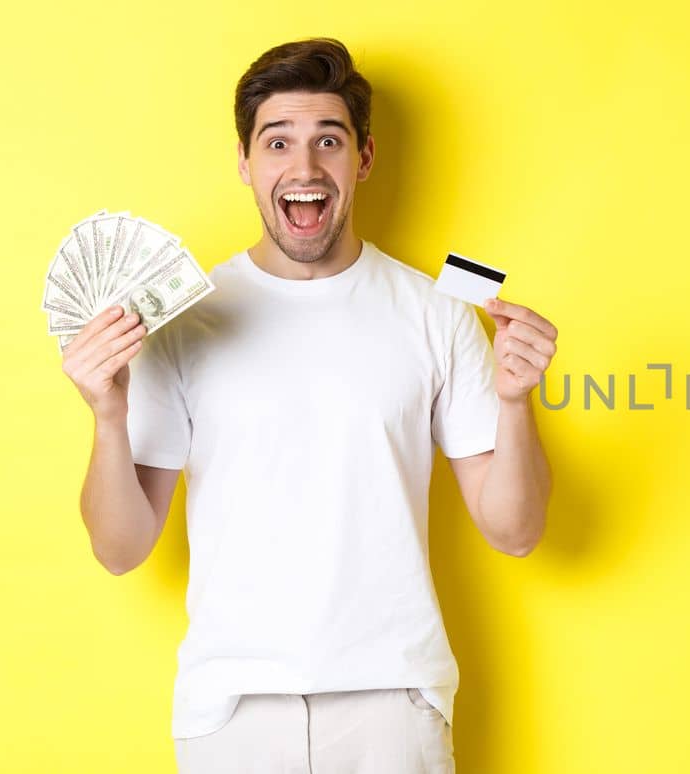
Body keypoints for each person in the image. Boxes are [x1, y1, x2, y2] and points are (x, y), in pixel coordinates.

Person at [57, 37, 559, 773]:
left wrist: (515, 404)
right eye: (278, 142)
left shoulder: (434, 312)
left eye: (329, 140)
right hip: (232, 707)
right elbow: (120, 548)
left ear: (364, 158)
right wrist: (105, 414)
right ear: (244, 162)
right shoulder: (182, 319)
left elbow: (515, 532)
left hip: (394, 699)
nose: (304, 167)